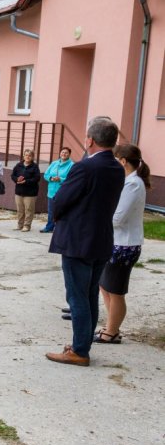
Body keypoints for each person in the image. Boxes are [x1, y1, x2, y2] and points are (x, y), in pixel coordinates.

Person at [45, 116, 125, 366]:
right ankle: (83, 344)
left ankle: (80, 351)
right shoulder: (116, 167)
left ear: (89, 140)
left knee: (77, 296)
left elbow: (61, 200)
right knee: (89, 294)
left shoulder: (85, 167)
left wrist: (56, 215)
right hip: (101, 239)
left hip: (78, 240)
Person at [95, 144, 150, 344]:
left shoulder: (133, 184)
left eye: (116, 159)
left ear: (123, 161)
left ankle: (112, 332)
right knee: (104, 285)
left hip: (125, 245)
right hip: (116, 242)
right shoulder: (128, 181)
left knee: (115, 290)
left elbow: (118, 217)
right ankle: (112, 325)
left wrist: (98, 217)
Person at [40, 147, 74, 233]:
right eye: (62, 152)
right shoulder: (54, 163)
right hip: (51, 191)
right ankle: (49, 227)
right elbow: (46, 175)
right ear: (60, 153)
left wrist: (60, 179)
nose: (64, 154)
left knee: (62, 211)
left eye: (66, 153)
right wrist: (51, 178)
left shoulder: (72, 165)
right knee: (51, 211)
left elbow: (72, 178)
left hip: (63, 192)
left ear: (69, 154)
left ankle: (61, 229)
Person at [11, 149, 41, 232]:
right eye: (26, 155)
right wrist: (17, 179)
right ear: (23, 156)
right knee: (20, 210)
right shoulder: (18, 165)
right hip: (19, 192)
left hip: (30, 193)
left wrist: (26, 181)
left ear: (32, 157)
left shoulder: (35, 167)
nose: (27, 157)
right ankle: (20, 225)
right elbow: (12, 175)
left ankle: (27, 226)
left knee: (29, 210)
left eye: (29, 155)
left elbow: (37, 178)